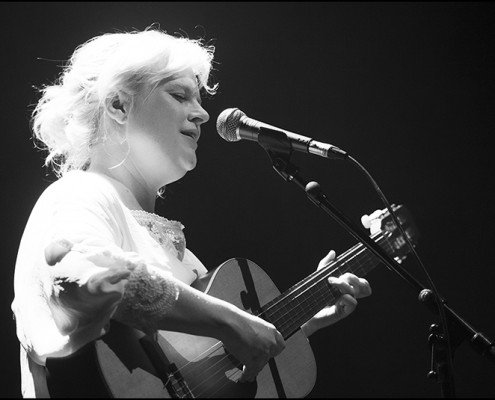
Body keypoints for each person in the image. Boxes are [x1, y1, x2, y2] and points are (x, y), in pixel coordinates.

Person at [11, 26, 372, 398]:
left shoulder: (184, 260)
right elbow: (76, 274)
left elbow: (205, 369)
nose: (201, 114)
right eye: (179, 95)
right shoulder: (80, 193)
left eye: (198, 100)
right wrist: (228, 320)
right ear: (118, 105)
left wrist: (299, 322)